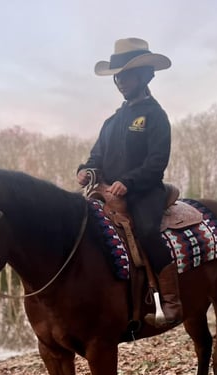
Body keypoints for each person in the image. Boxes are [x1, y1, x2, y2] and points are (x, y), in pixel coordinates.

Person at [77, 38, 182, 327]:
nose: (121, 81)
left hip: (144, 191)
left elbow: (156, 162)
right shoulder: (112, 121)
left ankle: (170, 301)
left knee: (148, 232)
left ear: (146, 75)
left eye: (127, 75)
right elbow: (96, 156)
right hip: (107, 191)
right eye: (117, 76)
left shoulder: (155, 116)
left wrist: (128, 181)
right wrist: (87, 171)